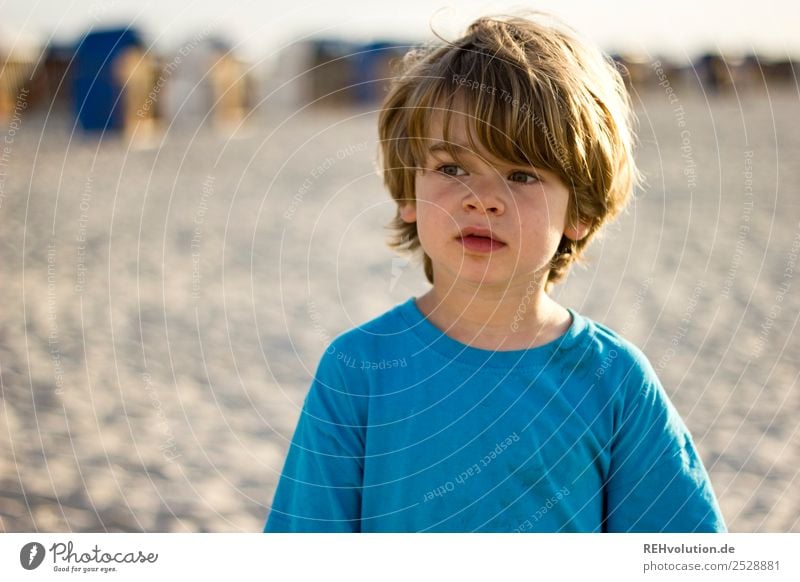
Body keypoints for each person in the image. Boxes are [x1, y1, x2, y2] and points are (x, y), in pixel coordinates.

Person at [264, 13, 726, 532]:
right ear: (408, 188)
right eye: (452, 169)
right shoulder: (359, 370)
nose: (482, 200)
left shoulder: (612, 380)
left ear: (580, 211)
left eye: (521, 174)